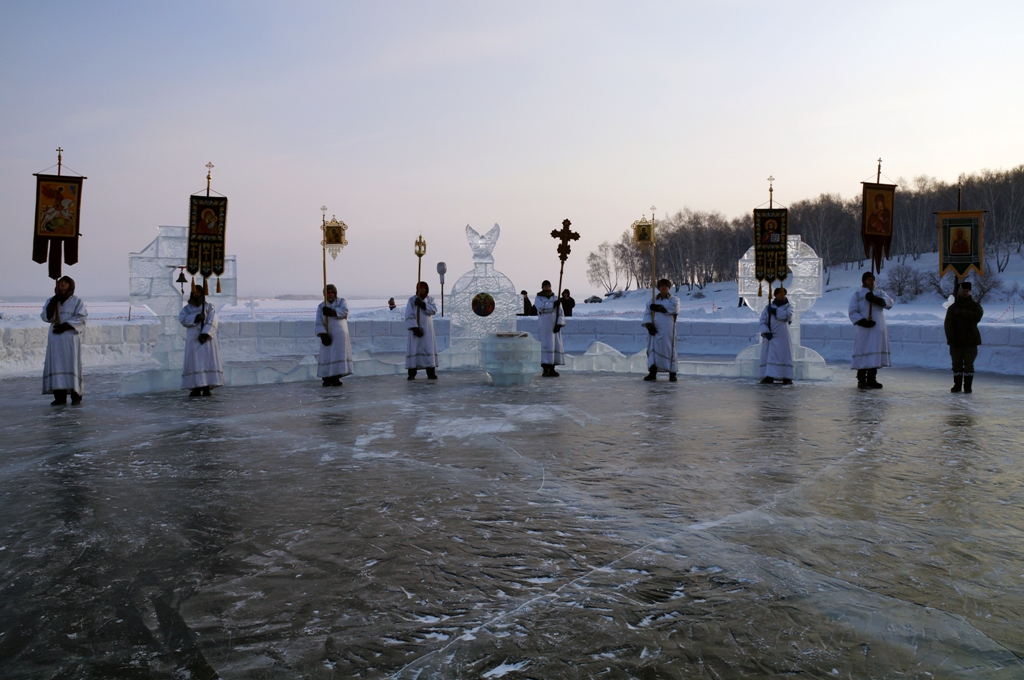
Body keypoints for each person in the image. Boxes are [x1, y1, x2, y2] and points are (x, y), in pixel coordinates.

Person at [41, 276, 88, 405]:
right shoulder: (52, 300)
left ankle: (75, 395)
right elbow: (45, 317)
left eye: (66, 282)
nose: (63, 284)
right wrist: (52, 305)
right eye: (61, 282)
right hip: (56, 338)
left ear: (70, 285)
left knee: (71, 364)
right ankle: (59, 397)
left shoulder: (77, 301)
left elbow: (82, 317)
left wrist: (66, 325)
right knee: (56, 365)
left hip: (70, 338)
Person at [848, 271, 894, 389]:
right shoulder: (858, 295)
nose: (871, 282)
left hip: (877, 329)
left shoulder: (879, 293)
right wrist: (863, 322)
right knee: (864, 352)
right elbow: (852, 312)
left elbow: (890, 302)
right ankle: (861, 379)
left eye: (873, 280)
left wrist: (876, 299)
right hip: (864, 330)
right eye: (869, 280)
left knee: (874, 353)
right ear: (864, 281)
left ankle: (872, 379)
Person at [179, 283, 224, 396]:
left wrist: (206, 333)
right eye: (194, 292)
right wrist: (195, 318)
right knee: (194, 362)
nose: (196, 294)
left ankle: (206, 386)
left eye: (198, 292)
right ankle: (195, 387)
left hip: (206, 340)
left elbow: (213, 320)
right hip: (193, 339)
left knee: (207, 362)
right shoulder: (187, 308)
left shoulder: (209, 307)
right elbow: (182, 319)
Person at [944, 281, 983, 393]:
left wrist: (962, 312)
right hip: (956, 341)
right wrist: (951, 339)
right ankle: (957, 385)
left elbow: (977, 316)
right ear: (959, 293)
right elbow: (948, 325)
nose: (965, 293)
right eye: (963, 291)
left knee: (969, 365)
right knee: (956, 364)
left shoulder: (975, 305)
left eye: (967, 291)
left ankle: (967, 386)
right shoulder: (952, 308)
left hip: (971, 341)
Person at [642, 278, 680, 382]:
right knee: (653, 349)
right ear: (659, 288)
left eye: (666, 286)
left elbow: (674, 308)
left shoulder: (674, 300)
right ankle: (652, 372)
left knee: (669, 349)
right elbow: (647, 313)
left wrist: (659, 307)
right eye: (661, 286)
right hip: (655, 330)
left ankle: (672, 373)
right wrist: (649, 325)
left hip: (668, 330)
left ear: (669, 288)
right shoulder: (652, 301)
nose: (663, 288)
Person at [316, 284, 353, 387]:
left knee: (338, 355)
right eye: (328, 292)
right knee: (327, 356)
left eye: (332, 292)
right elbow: (319, 322)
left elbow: (345, 311)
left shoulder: (341, 301)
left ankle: (336, 377)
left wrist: (331, 312)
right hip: (327, 334)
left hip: (339, 335)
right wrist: (322, 334)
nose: (330, 294)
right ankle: (326, 377)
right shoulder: (321, 306)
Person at [758, 287, 793, 385]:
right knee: (770, 355)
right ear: (775, 295)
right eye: (779, 294)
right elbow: (762, 320)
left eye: (783, 294)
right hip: (771, 335)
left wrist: (775, 311)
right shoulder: (767, 307)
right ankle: (769, 376)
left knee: (784, 355)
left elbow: (788, 316)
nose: (782, 296)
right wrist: (766, 331)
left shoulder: (788, 306)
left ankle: (786, 376)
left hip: (783, 336)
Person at [405, 281, 438, 380]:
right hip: (416, 331)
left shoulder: (430, 299)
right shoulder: (412, 300)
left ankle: (430, 372)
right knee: (414, 349)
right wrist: (415, 328)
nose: (422, 290)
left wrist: (423, 305)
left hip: (427, 330)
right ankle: (412, 373)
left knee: (428, 349)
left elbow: (433, 310)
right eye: (420, 288)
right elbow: (409, 315)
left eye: (424, 288)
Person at [534, 280, 565, 377]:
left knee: (554, 345)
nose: (547, 288)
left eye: (548, 286)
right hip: (544, 326)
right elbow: (540, 307)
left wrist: (559, 324)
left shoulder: (555, 298)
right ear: (542, 287)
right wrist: (553, 305)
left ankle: (552, 368)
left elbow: (561, 312)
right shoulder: (539, 298)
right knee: (545, 346)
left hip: (553, 325)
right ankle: (545, 369)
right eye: (545, 286)